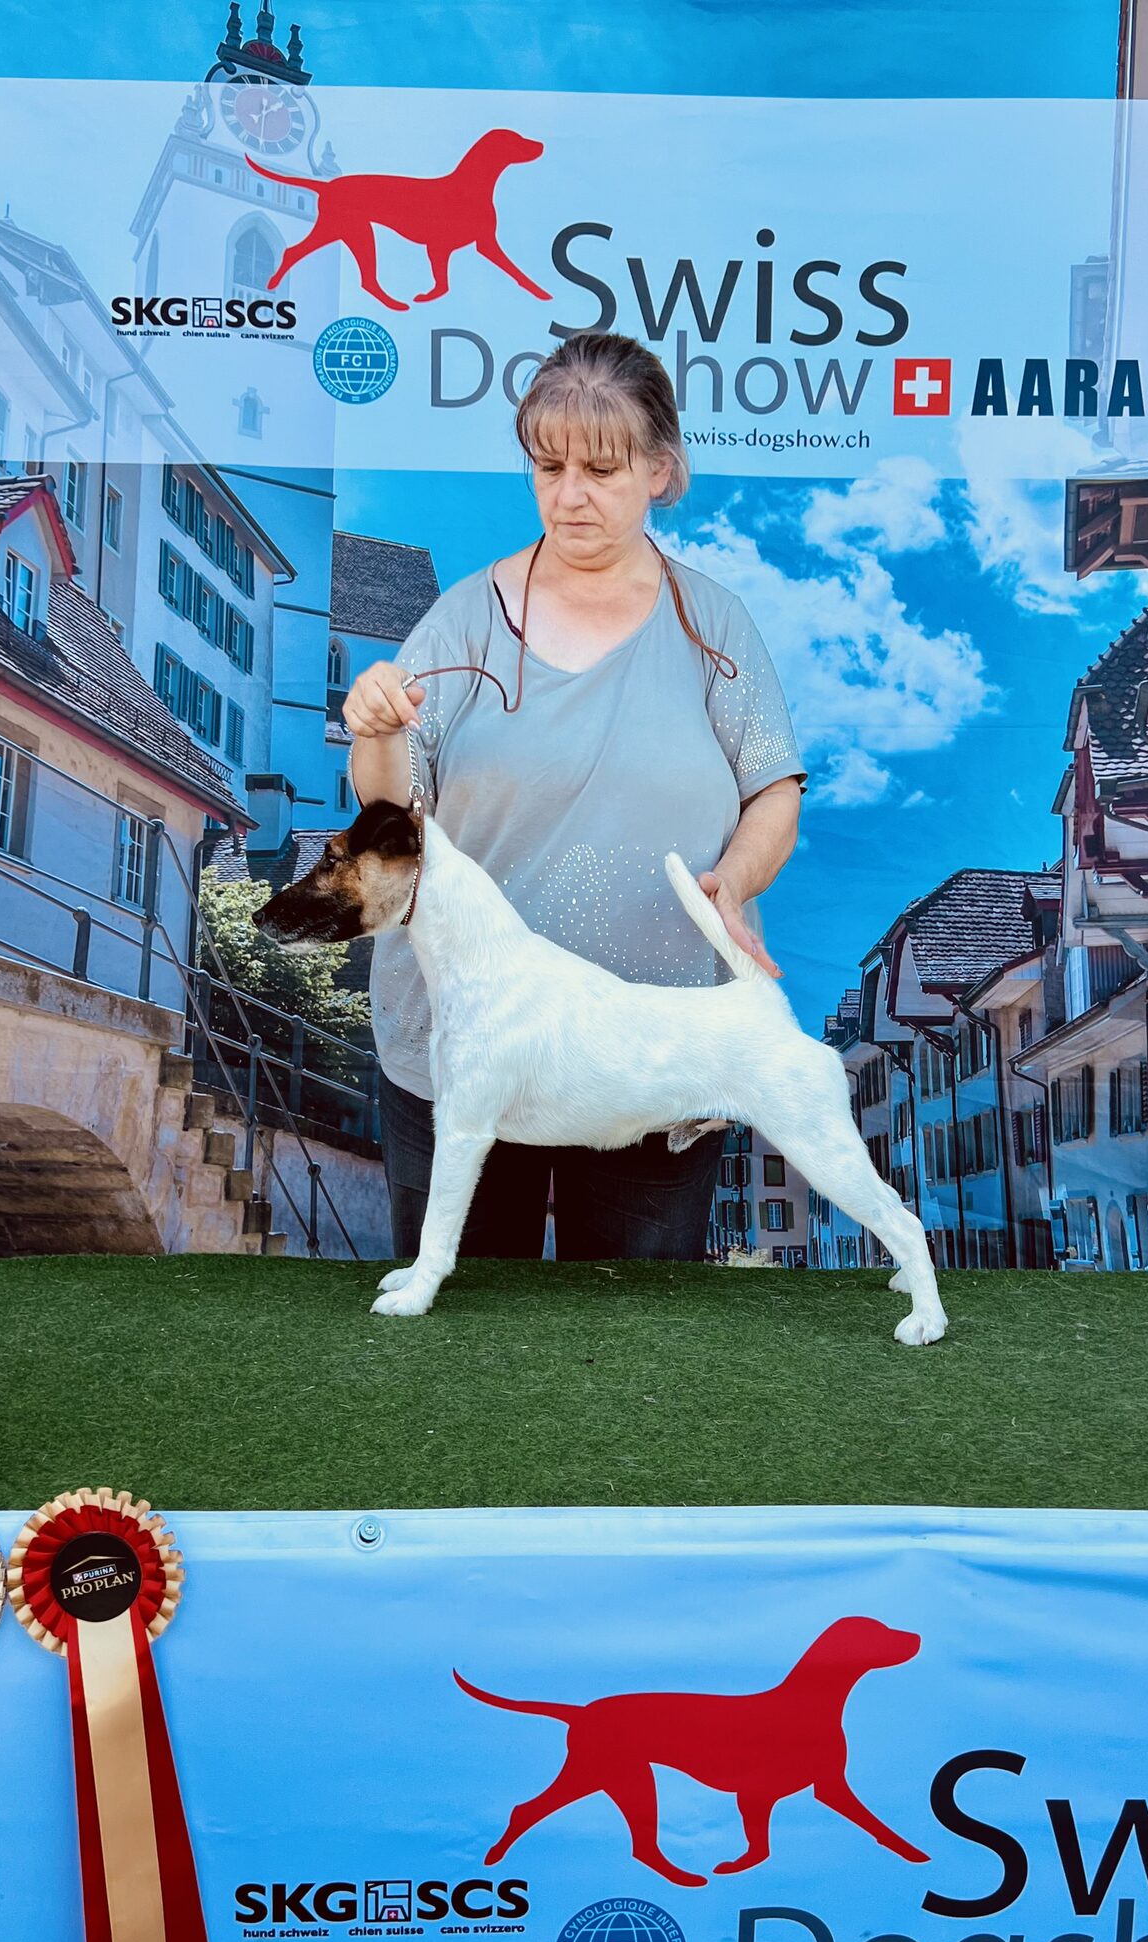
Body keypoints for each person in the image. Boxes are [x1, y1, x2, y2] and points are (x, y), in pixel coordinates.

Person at [345, 330, 805, 1262]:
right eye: (549, 467)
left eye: (601, 468)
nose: (569, 495)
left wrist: (735, 878)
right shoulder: (463, 620)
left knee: (637, 1333)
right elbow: (394, 815)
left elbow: (773, 793)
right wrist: (378, 731)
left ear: (660, 470)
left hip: (653, 1053)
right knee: (462, 1319)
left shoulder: (714, 626)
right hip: (465, 1041)